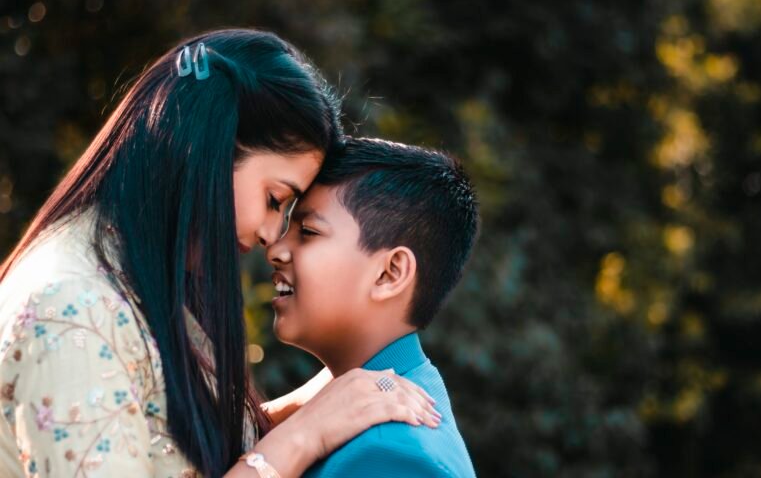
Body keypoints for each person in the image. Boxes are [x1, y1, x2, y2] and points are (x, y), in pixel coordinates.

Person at [0, 29, 440, 478]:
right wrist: (306, 433)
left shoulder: (138, 270)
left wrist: (305, 405)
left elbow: (166, 446)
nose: (273, 235)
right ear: (204, 152)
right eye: (275, 199)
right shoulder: (71, 310)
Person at [266, 137, 479, 477]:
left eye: (307, 231)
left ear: (389, 273)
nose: (275, 249)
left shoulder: (390, 457)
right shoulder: (362, 412)